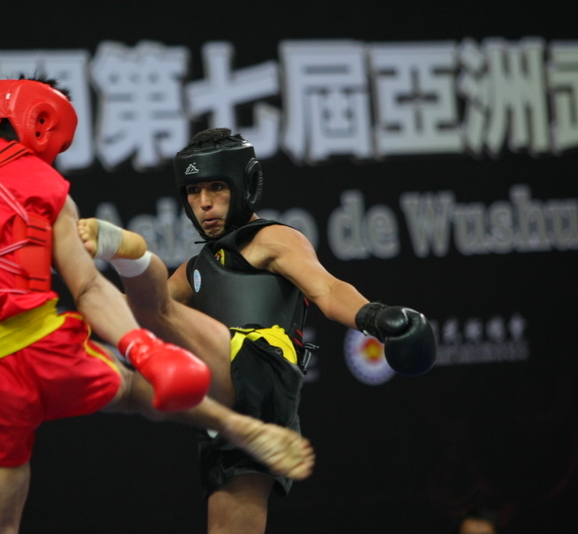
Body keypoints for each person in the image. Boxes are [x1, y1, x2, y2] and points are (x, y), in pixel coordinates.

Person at [0, 83, 315, 534]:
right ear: (42, 124)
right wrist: (142, 349)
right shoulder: (49, 187)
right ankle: (236, 423)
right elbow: (90, 290)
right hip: (45, 350)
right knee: (136, 388)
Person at [78, 127, 436, 534]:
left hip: (261, 369)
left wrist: (375, 317)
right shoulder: (195, 270)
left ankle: (131, 257)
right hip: (222, 392)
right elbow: (125, 314)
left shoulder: (271, 239)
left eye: (216, 187)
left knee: (157, 310)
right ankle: (116, 275)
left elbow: (327, 289)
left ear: (245, 184)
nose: (204, 202)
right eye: (193, 191)